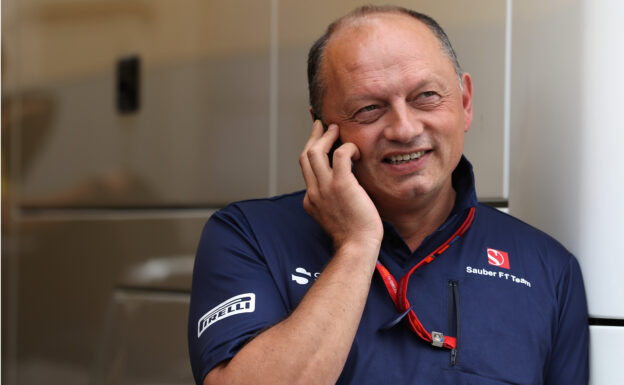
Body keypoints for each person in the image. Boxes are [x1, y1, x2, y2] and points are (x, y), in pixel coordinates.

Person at [188, 5, 589, 385]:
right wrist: (356, 245)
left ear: (465, 103)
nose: (404, 128)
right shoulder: (249, 237)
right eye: (369, 109)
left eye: (426, 96)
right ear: (322, 128)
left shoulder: (548, 269)